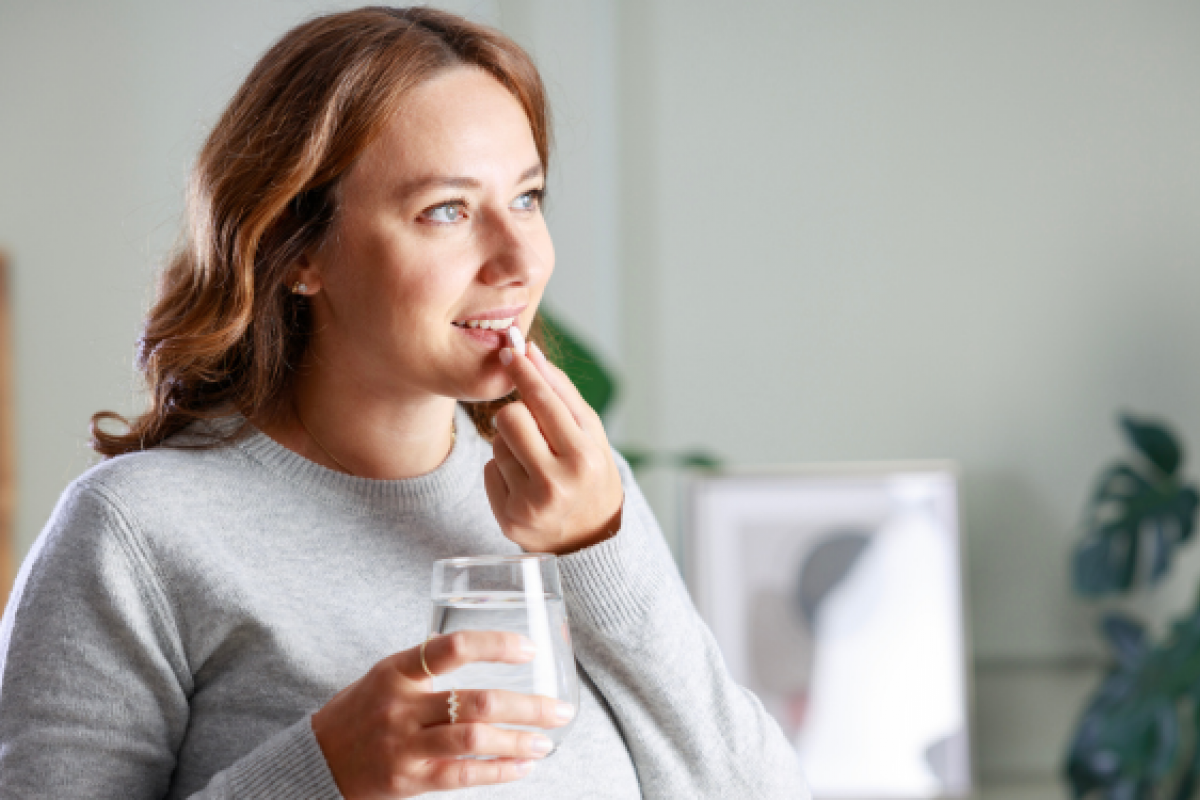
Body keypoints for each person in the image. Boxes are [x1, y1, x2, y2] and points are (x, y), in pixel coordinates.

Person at [0, 7, 808, 799]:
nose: (522, 259)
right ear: (297, 250)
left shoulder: (584, 504)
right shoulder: (135, 533)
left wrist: (598, 545)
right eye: (447, 211)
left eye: (528, 197)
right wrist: (322, 773)